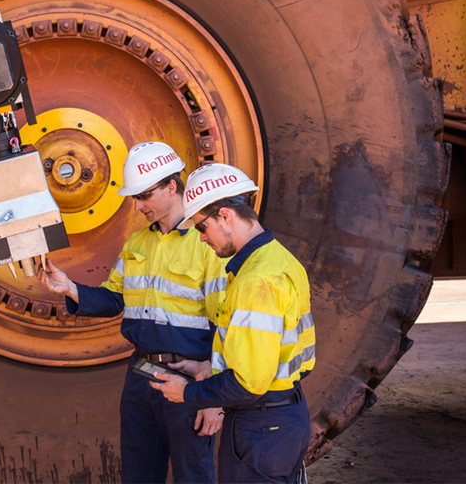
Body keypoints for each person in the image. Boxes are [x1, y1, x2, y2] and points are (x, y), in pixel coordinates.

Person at [37, 142, 227, 484]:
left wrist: (215, 396)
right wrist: (70, 289)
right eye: (134, 198)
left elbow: (227, 323)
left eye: (144, 196)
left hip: (188, 377)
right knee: (138, 475)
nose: (138, 206)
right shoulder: (137, 243)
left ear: (172, 186)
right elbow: (115, 299)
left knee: (193, 476)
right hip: (140, 376)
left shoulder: (207, 244)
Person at [148, 163, 315, 483]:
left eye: (201, 227)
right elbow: (272, 352)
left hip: (260, 427)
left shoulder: (255, 280)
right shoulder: (279, 259)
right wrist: (207, 370)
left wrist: (188, 393)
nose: (201, 239)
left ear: (225, 216)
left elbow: (248, 382)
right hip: (287, 417)